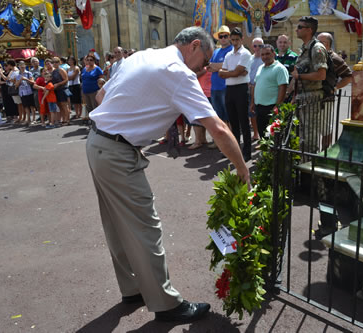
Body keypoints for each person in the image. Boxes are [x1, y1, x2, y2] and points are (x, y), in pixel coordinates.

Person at [87, 26, 249, 323]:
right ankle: (166, 305)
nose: (202, 72)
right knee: (146, 227)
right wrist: (242, 169)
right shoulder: (178, 71)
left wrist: (131, 123)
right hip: (117, 151)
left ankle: (133, 287)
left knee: (116, 224)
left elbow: (101, 97)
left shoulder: (141, 57)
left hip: (98, 142)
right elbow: (219, 128)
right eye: (203, 64)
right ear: (195, 47)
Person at [291, 16, 328, 154]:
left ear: (309, 30)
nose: (297, 29)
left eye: (300, 27)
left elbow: (321, 75)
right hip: (303, 96)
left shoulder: (316, 48)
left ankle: (311, 169)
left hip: (312, 97)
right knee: (302, 136)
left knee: (310, 138)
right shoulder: (305, 49)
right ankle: (304, 166)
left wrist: (299, 76)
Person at [218, 27, 252, 161]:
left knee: (244, 122)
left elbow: (234, 72)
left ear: (242, 39)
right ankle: (235, 150)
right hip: (230, 90)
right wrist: (235, 72)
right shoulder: (228, 55)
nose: (234, 42)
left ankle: (247, 152)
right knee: (233, 122)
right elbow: (222, 73)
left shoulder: (245, 53)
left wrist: (231, 73)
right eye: (232, 40)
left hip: (241, 89)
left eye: (237, 40)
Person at [317, 32, 353, 147]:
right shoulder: (316, 56)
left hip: (326, 100)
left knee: (325, 128)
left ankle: (325, 152)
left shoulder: (334, 59)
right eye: (317, 42)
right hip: (312, 99)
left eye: (322, 42)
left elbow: (349, 76)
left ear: (329, 44)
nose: (318, 45)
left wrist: (335, 88)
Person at [251, 45, 289, 139]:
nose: (265, 56)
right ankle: (265, 152)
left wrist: (278, 106)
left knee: (273, 136)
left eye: (268, 54)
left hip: (272, 108)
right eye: (262, 54)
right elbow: (255, 85)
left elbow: (283, 88)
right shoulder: (260, 68)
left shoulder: (280, 68)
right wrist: (252, 102)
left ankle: (273, 153)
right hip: (259, 107)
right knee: (263, 134)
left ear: (274, 53)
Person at [206, 25, 233, 149]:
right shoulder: (216, 51)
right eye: (221, 36)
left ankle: (231, 141)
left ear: (229, 37)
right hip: (215, 87)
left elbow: (226, 66)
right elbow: (209, 67)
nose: (223, 38)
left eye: (225, 36)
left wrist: (216, 66)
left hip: (225, 87)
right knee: (218, 116)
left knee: (228, 116)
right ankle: (220, 141)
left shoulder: (232, 50)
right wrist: (218, 66)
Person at [189, 66, 211, 149]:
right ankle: (202, 139)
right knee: (201, 118)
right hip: (203, 93)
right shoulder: (204, 67)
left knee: (199, 118)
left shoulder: (207, 67)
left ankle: (198, 141)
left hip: (204, 94)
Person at [248, 37, 264, 141]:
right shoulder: (249, 58)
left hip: (262, 88)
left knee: (262, 112)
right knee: (252, 112)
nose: (257, 48)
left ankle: (263, 134)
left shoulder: (265, 58)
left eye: (260, 46)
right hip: (251, 87)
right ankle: (256, 133)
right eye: (255, 46)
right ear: (252, 47)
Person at [48, 57, 71, 125]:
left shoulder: (61, 70)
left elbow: (66, 80)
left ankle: (67, 120)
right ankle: (64, 119)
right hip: (56, 90)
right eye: (53, 62)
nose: (55, 63)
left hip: (62, 89)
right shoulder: (53, 71)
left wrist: (58, 84)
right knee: (60, 106)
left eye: (56, 62)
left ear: (59, 62)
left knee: (64, 105)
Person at [81, 54, 103, 120]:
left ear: (94, 61)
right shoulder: (85, 68)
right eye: (88, 60)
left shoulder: (97, 69)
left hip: (94, 91)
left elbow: (101, 80)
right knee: (89, 108)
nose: (89, 61)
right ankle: (92, 124)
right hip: (85, 91)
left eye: (91, 60)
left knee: (95, 108)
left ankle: (97, 124)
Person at [17, 61, 37, 125]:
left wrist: (26, 79)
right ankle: (28, 119)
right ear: (19, 67)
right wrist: (20, 80)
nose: (22, 68)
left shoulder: (29, 73)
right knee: (25, 106)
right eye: (21, 67)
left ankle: (34, 119)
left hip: (29, 91)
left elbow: (32, 82)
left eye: (23, 66)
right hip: (22, 92)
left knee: (32, 106)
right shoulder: (18, 75)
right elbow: (16, 85)